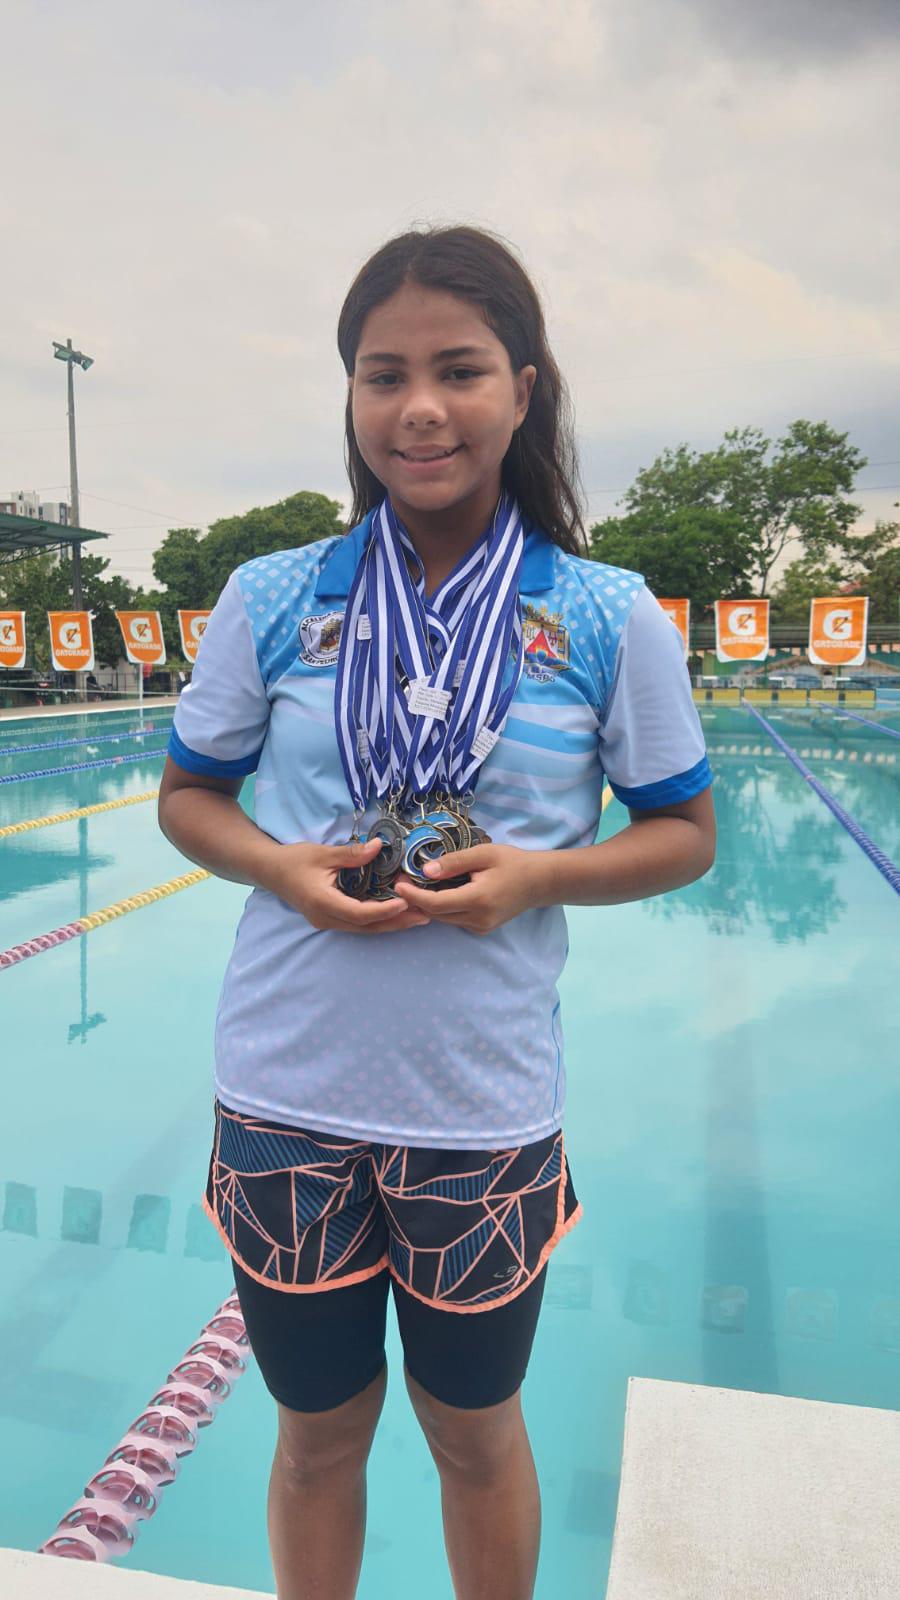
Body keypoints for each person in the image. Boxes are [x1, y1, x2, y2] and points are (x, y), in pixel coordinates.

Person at [158, 224, 715, 1600]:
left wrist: (536, 876)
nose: (420, 406)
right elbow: (187, 798)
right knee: (316, 1436)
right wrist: (281, 866)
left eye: (459, 369)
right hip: (287, 1088)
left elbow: (684, 834)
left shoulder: (605, 615)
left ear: (525, 388)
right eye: (381, 373)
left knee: (472, 1439)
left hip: (476, 1105)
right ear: (349, 398)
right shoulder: (276, 598)